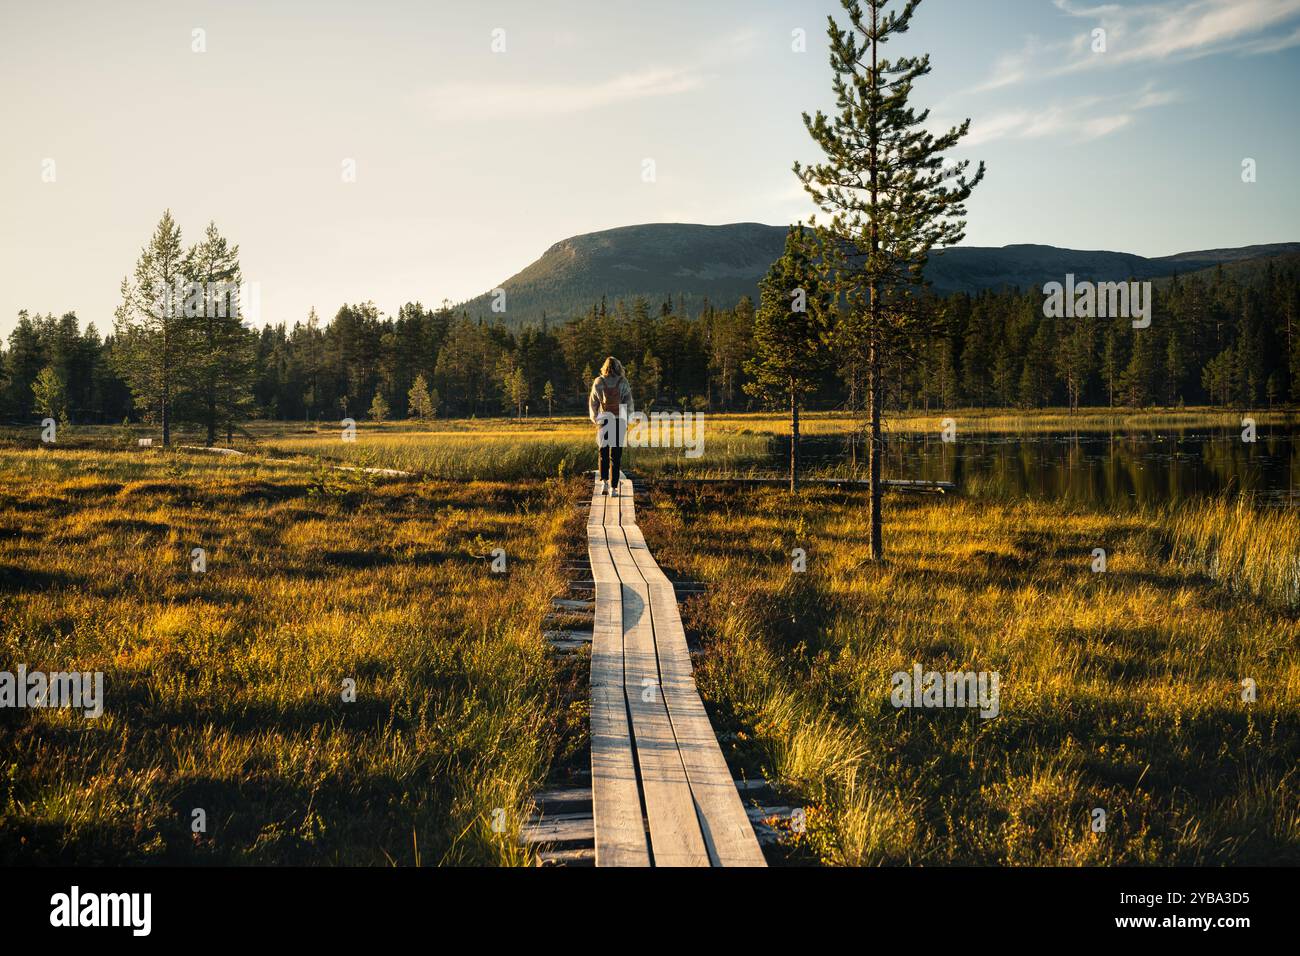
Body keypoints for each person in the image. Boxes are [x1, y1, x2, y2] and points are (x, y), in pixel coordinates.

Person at [588, 356, 634, 496]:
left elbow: (593, 403)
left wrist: (595, 418)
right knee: (616, 454)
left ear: (605, 367)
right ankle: (614, 488)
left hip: (603, 420)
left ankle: (604, 484)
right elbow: (628, 402)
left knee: (603, 452)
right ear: (618, 367)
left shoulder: (598, 382)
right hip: (619, 420)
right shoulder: (623, 382)